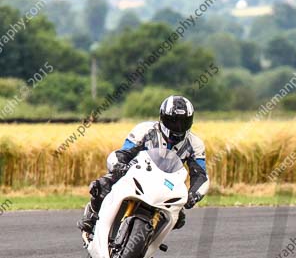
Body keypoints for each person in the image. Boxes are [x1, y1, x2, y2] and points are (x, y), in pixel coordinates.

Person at [78, 95, 209, 234]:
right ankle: (92, 215)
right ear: (163, 117)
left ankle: (147, 247)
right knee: (102, 185)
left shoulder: (195, 144)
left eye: (184, 122)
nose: (178, 127)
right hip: (137, 176)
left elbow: (200, 175)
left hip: (166, 188)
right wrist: (118, 165)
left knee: (178, 219)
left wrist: (193, 195)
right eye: (173, 121)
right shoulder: (145, 130)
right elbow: (124, 152)